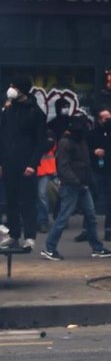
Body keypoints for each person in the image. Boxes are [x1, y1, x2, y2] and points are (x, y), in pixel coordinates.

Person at [40, 115, 111, 261]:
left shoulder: (77, 140)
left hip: (80, 184)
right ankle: (49, 247)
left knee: (90, 217)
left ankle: (96, 248)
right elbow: (64, 166)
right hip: (73, 185)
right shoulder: (68, 143)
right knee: (65, 217)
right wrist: (77, 181)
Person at [0, 76, 46, 251]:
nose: (10, 89)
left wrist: (33, 164)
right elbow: (2, 138)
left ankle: (29, 236)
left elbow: (40, 141)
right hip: (9, 162)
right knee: (10, 200)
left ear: (22, 90)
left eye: (13, 86)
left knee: (28, 201)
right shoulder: (8, 111)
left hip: (26, 163)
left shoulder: (35, 112)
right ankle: (13, 234)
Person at [81, 108, 111, 242]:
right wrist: (94, 152)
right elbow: (86, 149)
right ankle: (86, 229)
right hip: (97, 170)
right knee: (91, 200)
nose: (109, 121)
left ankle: (108, 230)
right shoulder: (93, 134)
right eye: (105, 118)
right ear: (99, 120)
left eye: (110, 118)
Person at [36, 128, 58, 234]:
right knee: (35, 197)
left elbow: (47, 146)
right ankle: (36, 221)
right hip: (31, 170)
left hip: (45, 170)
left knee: (42, 195)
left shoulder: (48, 134)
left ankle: (43, 221)